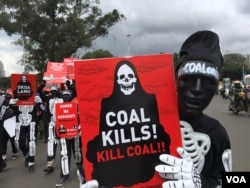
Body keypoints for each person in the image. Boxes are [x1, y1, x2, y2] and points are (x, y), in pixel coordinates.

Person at [155, 30, 232, 188]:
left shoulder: (217, 133)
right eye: (189, 79)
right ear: (176, 79)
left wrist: (202, 184)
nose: (197, 89)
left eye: (208, 82)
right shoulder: (145, 123)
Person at [55, 89, 85, 187]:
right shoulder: (58, 108)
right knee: (64, 154)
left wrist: (79, 130)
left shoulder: (77, 106)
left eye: (67, 95)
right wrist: (57, 133)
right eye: (64, 95)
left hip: (75, 134)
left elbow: (82, 119)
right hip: (64, 135)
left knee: (77, 153)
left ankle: (82, 173)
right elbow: (57, 121)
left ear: (71, 96)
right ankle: (64, 176)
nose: (65, 97)